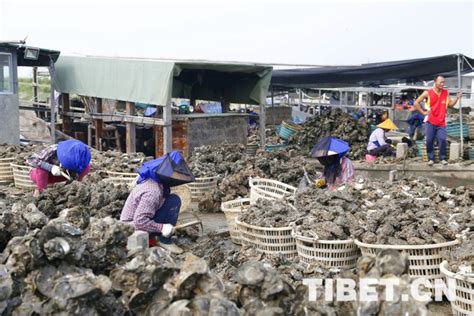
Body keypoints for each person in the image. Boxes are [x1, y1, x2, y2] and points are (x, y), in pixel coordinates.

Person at [120, 151, 195, 254]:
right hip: (130, 227)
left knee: (172, 200)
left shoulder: (154, 180)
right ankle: (164, 240)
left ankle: (157, 236)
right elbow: (140, 221)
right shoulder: (153, 192)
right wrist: (163, 228)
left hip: (137, 221)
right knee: (174, 201)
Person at [413, 75, 462, 166]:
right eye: (441, 82)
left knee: (442, 140)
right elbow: (416, 103)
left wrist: (457, 97)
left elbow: (450, 104)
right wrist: (423, 112)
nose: (443, 84)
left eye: (443, 82)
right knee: (429, 140)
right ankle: (430, 158)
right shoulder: (427, 93)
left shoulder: (445, 93)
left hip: (441, 122)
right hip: (430, 121)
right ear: (435, 82)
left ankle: (442, 158)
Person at [27, 139, 91, 198]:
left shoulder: (83, 158)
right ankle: (41, 192)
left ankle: (72, 188)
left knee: (86, 168)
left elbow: (84, 168)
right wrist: (50, 167)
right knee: (41, 170)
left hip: (65, 175)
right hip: (47, 176)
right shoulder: (53, 150)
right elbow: (30, 160)